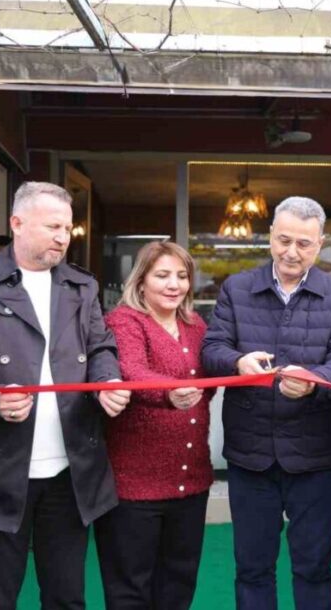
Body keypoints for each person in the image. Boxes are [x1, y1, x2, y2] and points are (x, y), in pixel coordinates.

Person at [0, 181, 129, 609]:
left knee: (66, 597)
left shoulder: (82, 286)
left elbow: (101, 348)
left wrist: (107, 383)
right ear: (17, 223)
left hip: (70, 470)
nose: (63, 237)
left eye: (67, 228)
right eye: (53, 226)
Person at [202, 196, 331, 610]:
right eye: (284, 240)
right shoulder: (237, 288)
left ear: (320, 244)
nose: (292, 252)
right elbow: (212, 348)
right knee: (252, 568)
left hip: (315, 454)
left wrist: (315, 381)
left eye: (304, 244)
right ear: (271, 235)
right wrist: (237, 362)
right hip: (251, 452)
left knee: (314, 567)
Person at [97, 241, 214, 610]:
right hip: (134, 487)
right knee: (130, 589)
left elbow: (213, 375)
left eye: (182, 276)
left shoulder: (196, 325)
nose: (174, 285)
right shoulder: (124, 321)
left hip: (191, 482)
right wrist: (169, 392)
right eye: (162, 275)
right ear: (141, 280)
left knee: (178, 584)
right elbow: (131, 370)